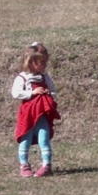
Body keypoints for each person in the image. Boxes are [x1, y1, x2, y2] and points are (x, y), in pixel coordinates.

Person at [12, 42, 61, 178]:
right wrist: (32, 93)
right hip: (28, 114)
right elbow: (16, 93)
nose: (45, 65)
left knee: (44, 139)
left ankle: (46, 166)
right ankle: (24, 165)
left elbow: (53, 91)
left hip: (41, 114)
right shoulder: (22, 78)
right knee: (25, 139)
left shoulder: (45, 77)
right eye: (42, 62)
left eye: (46, 61)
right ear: (31, 62)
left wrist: (48, 94)